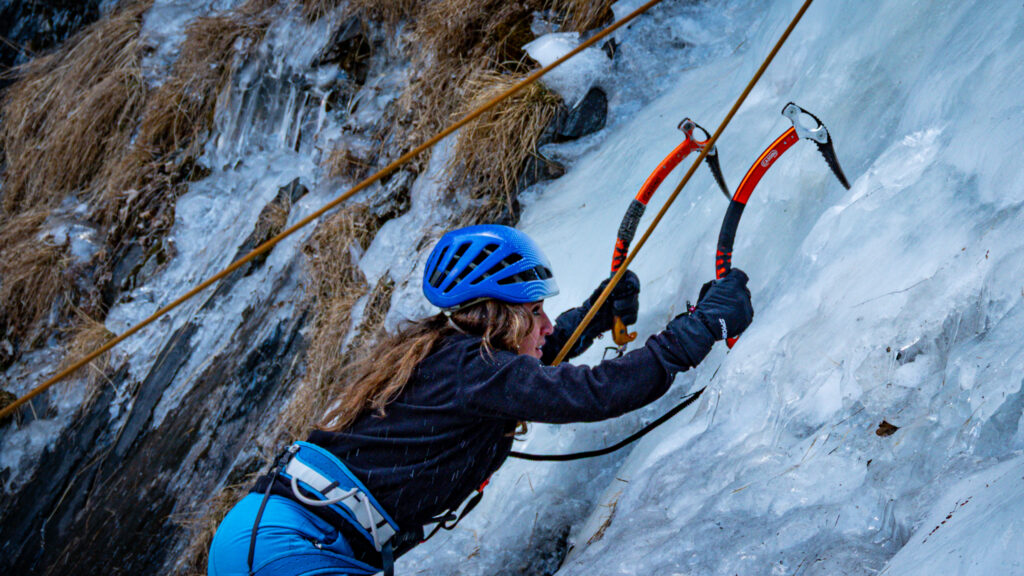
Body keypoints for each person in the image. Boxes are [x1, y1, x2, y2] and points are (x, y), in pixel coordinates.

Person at [208, 224, 753, 576]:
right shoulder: (472, 367)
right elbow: (590, 393)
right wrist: (700, 328)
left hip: (267, 538)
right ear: (505, 318)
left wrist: (589, 314)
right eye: (535, 312)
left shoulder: (448, 359)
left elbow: (527, 371)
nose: (543, 323)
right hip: (289, 548)